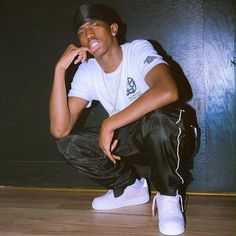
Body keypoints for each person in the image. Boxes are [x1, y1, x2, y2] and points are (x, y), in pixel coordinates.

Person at [49, 3, 190, 235]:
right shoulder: (88, 71)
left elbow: (168, 91)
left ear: (113, 28)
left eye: (95, 25)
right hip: (130, 140)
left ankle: (168, 195)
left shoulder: (137, 49)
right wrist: (59, 69)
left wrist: (110, 122)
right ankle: (128, 188)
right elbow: (59, 129)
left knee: (160, 118)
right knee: (69, 144)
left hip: (170, 136)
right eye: (82, 32)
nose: (88, 35)